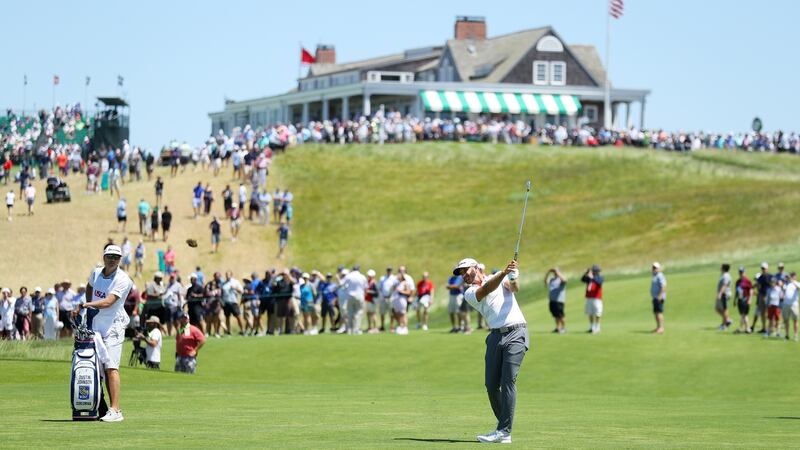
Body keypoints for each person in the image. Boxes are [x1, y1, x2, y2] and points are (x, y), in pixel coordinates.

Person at [453, 257, 527, 444]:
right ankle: (503, 428)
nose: (463, 275)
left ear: (476, 267)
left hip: (516, 332)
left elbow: (514, 288)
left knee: (508, 380)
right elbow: (486, 289)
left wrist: (512, 276)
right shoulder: (469, 292)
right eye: (460, 273)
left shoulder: (499, 277)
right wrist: (504, 273)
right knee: (491, 385)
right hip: (495, 336)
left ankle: (503, 431)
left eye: (465, 270)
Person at [73, 244, 134, 422]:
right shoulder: (97, 272)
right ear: (104, 257)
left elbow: (108, 302)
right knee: (95, 368)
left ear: (120, 259)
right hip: (97, 325)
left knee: (111, 367)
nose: (112, 259)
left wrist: (87, 305)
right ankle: (100, 406)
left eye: (116, 257)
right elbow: (89, 286)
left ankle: (116, 410)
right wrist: (90, 302)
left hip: (114, 327)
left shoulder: (123, 279)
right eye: (110, 256)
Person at [342, 266, 368, 334]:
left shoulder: (349, 276)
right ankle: (356, 329)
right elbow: (366, 288)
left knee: (349, 312)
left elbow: (343, 285)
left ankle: (350, 329)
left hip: (350, 296)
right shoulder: (362, 276)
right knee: (358, 312)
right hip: (359, 296)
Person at [582, 264, 604, 334]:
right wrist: (586, 273)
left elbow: (599, 282)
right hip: (589, 298)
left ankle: (597, 327)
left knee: (597, 313)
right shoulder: (589, 278)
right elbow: (582, 279)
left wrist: (592, 277)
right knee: (590, 313)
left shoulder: (600, 277)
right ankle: (592, 327)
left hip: (596, 298)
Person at [221, 270, 245, 336]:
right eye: (226, 274)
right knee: (227, 317)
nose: (227, 276)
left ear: (231, 275)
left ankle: (242, 330)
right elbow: (222, 293)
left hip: (233, 302)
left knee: (238, 316)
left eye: (228, 274)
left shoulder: (235, 282)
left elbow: (241, 291)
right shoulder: (224, 283)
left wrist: (235, 288)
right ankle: (228, 331)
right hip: (226, 302)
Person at [545, 267, 567, 333]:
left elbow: (565, 280)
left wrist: (557, 272)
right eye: (554, 271)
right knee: (555, 315)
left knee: (561, 315)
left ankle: (563, 328)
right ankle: (558, 328)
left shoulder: (561, 279)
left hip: (559, 300)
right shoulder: (552, 279)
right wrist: (548, 273)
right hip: (552, 300)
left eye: (556, 271)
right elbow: (545, 282)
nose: (555, 272)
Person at [753, 262, 772, 334]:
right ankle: (764, 328)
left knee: (770, 313)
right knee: (762, 313)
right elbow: (757, 286)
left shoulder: (770, 277)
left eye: (764, 268)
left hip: (770, 297)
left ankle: (771, 328)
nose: (763, 270)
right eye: (762, 268)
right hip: (761, 297)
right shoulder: (760, 278)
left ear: (767, 269)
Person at [734, 267, 753, 334]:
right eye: (740, 272)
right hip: (740, 300)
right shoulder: (738, 281)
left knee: (744, 314)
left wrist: (750, 299)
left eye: (742, 272)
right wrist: (735, 300)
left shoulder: (747, 281)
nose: (741, 273)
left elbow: (751, 290)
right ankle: (743, 328)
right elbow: (736, 291)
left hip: (745, 299)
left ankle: (747, 328)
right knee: (742, 314)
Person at [378, 267, 398, 332]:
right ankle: (382, 326)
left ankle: (391, 327)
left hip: (391, 298)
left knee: (391, 313)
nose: (389, 271)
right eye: (388, 270)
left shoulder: (394, 278)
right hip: (384, 297)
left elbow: (396, 287)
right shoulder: (382, 278)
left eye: (390, 270)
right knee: (382, 313)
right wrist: (381, 296)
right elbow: (379, 288)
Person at [782, 271, 799, 341]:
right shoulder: (787, 284)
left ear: (795, 276)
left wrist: (792, 281)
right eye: (791, 276)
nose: (792, 277)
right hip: (786, 304)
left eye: (793, 276)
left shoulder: (797, 283)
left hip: (794, 305)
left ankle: (795, 335)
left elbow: (798, 287)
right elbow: (783, 290)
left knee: (795, 320)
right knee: (786, 320)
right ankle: (787, 335)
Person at [650, 262, 667, 334]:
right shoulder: (654, 275)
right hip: (655, 297)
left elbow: (663, 287)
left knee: (659, 312)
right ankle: (658, 327)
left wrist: (660, 296)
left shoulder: (660, 275)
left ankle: (661, 328)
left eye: (656, 268)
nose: (654, 269)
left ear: (659, 268)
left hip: (659, 297)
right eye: (653, 267)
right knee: (656, 312)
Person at [716, 264, 733, 331]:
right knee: (718, 309)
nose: (720, 268)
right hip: (723, 294)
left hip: (724, 294)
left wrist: (720, 293)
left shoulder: (726, 276)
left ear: (723, 268)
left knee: (724, 309)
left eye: (721, 267)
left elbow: (725, 285)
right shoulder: (724, 275)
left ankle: (725, 324)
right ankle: (727, 320)